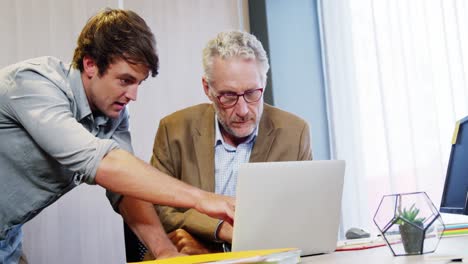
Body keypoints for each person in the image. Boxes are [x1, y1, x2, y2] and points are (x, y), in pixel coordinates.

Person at [0, 9, 235, 263]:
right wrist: (202, 199)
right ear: (90, 64)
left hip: (8, 241)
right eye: (125, 80)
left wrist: (164, 251)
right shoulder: (32, 84)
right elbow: (104, 163)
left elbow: (125, 190)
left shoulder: (114, 115)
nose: (133, 95)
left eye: (139, 83)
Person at [148, 31, 312, 256]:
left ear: (264, 82)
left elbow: (301, 218)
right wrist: (221, 230)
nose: (243, 110)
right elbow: (159, 208)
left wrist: (215, 245)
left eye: (252, 93)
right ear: (208, 89)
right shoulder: (174, 130)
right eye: (228, 96)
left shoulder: (295, 133)